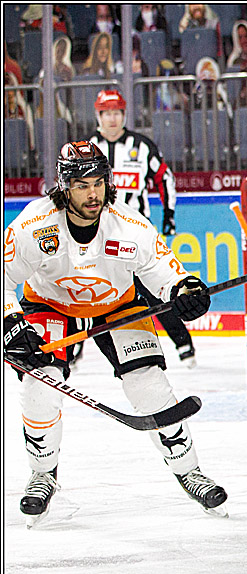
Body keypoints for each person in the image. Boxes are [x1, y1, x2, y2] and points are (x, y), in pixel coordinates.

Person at [3, 141, 227, 524]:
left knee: (149, 386)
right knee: (40, 385)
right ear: (63, 186)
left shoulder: (130, 224)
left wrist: (185, 289)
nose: (93, 193)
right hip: (49, 305)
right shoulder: (31, 226)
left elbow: (163, 268)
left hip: (118, 307)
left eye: (99, 182)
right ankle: (43, 473)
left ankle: (189, 471)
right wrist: (10, 321)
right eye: (81, 185)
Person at [88, 89, 198, 368]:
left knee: (154, 289)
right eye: (106, 113)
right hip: (95, 236)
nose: (112, 119)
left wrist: (169, 215)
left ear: (124, 114)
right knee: (86, 289)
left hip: (135, 235)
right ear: (98, 116)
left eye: (117, 112)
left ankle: (183, 344)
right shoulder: (87, 148)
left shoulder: (142, 145)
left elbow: (164, 178)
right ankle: (72, 352)